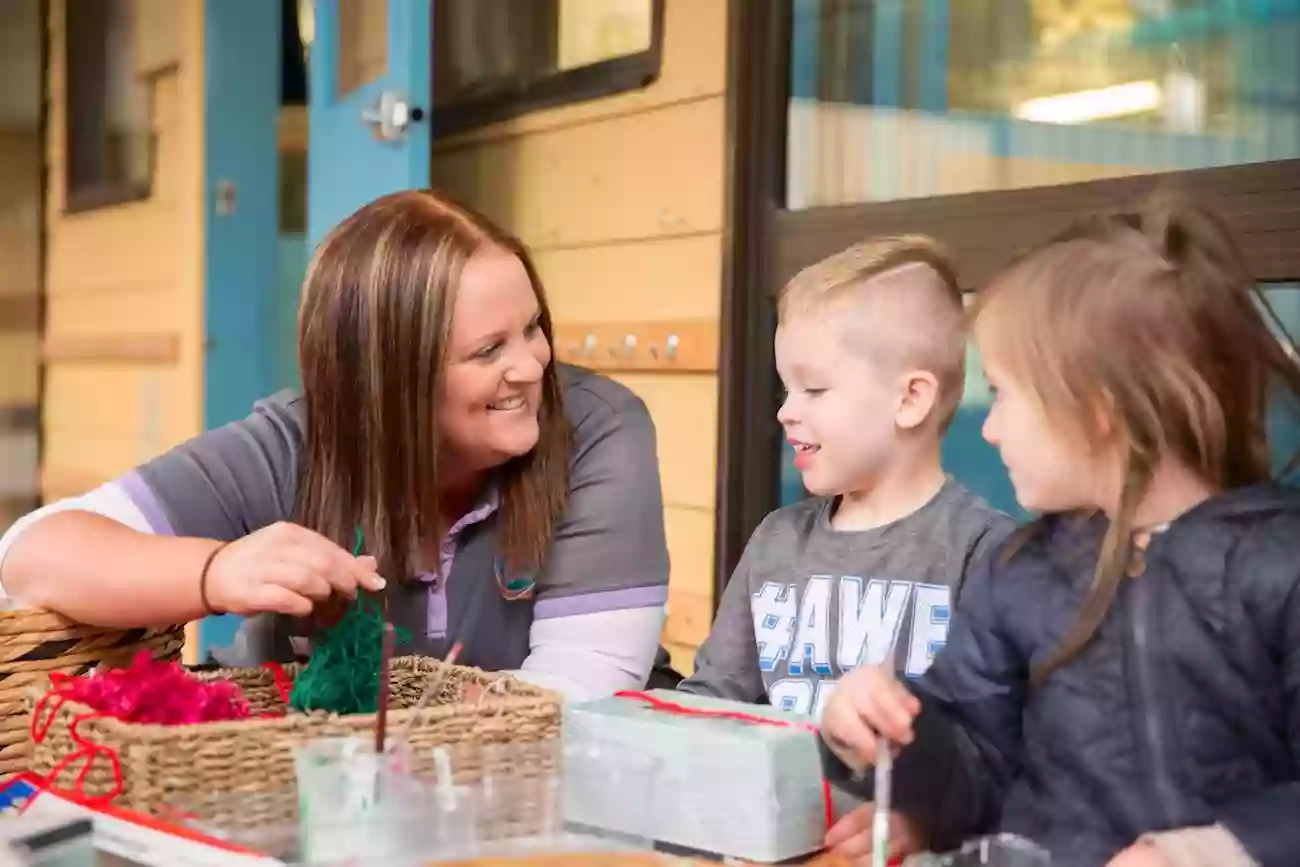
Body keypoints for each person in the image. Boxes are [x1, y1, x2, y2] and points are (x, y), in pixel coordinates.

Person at [0, 190, 670, 702]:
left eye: (533, 328)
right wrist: (218, 571)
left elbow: (579, 697)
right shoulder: (296, 442)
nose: (531, 366)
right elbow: (32, 552)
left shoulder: (598, 429)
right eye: (489, 349)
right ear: (391, 375)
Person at [819, 197, 1300, 867]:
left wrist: (1210, 852)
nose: (988, 428)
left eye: (1004, 394)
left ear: (1098, 410)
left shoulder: (1279, 568)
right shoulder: (1019, 573)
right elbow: (975, 773)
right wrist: (886, 734)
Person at [678, 236, 1014, 855]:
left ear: (909, 399)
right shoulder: (776, 541)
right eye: (785, 389)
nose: (785, 412)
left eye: (814, 390)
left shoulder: (985, 553)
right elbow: (713, 703)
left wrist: (932, 824)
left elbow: (1002, 756)